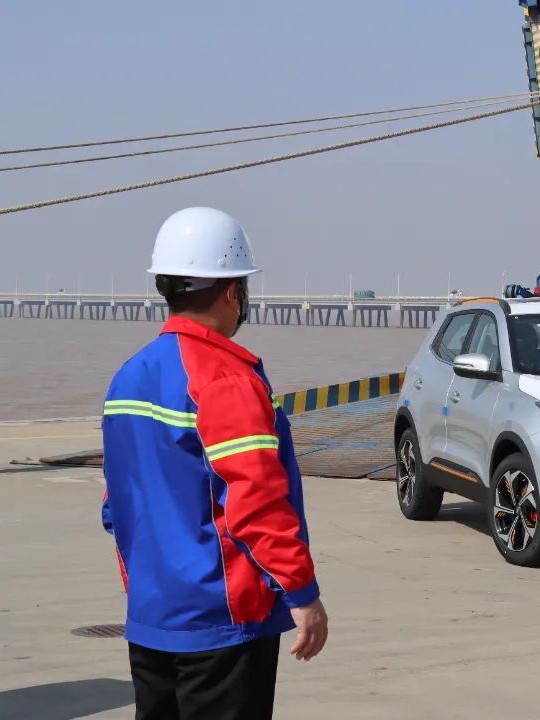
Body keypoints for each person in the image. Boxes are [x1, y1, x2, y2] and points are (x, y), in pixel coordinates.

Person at [101, 207, 328, 719]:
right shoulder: (227, 379)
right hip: (223, 625)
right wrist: (301, 593)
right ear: (231, 291)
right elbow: (256, 504)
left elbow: (117, 505)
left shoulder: (127, 378)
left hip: (152, 619)